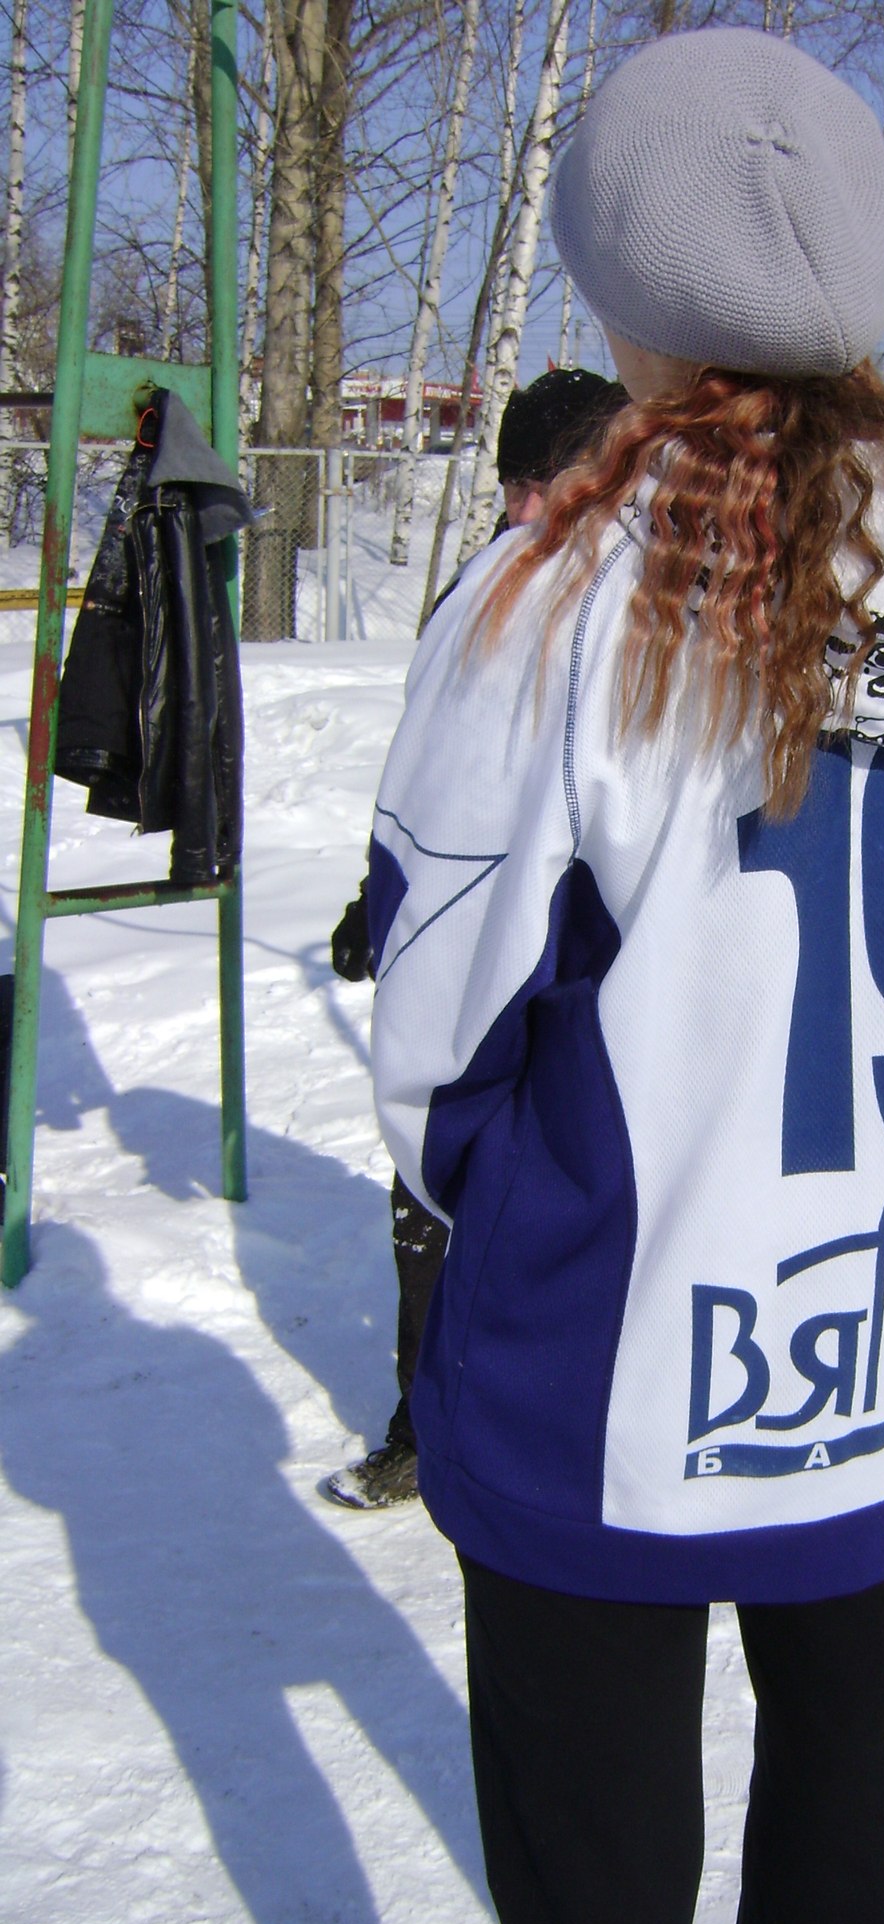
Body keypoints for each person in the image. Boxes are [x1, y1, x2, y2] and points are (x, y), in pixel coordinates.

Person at [369, 26, 884, 1924]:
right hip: (879, 1327)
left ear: (623, 270)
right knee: (855, 1837)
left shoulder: (564, 587)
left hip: (612, 1355)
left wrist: (502, 1209)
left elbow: (441, 1008)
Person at [323, 367, 626, 1510]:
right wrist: (379, 897)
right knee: (436, 1180)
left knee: (569, 1199)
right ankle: (426, 1423)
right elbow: (430, 773)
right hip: (473, 938)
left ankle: (562, 1432)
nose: (522, 511)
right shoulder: (482, 590)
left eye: (549, 485)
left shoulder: (645, 600)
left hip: (591, 955)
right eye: (512, 486)